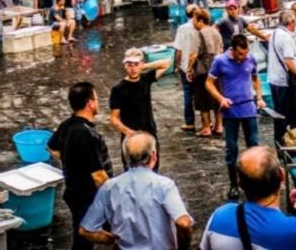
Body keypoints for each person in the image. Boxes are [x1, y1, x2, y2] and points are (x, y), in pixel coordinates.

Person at [80, 132, 193, 250]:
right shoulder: (164, 185)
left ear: (126, 157)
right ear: (153, 155)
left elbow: (86, 230)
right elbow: (184, 224)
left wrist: (112, 240)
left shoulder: (109, 187)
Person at [48, 82, 113, 250]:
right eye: (97, 99)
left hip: (73, 193)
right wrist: (116, 196)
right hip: (89, 197)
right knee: (84, 239)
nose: (98, 102)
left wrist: (70, 159)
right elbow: (98, 176)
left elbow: (52, 147)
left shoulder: (66, 125)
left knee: (95, 232)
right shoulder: (87, 134)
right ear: (90, 104)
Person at [205, 34, 266, 200]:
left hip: (249, 110)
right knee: (231, 149)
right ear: (232, 49)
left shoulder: (250, 59)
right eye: (240, 54)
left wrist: (259, 98)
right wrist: (221, 99)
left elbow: (255, 78)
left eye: (246, 54)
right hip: (230, 112)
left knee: (253, 145)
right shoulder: (220, 61)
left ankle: (255, 181)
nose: (243, 57)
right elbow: (208, 83)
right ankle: (234, 184)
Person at [109, 48, 171, 171]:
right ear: (125, 66)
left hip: (149, 132)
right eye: (129, 65)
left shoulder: (145, 79)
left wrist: (143, 66)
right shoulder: (118, 89)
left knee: (153, 168)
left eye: (136, 64)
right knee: (131, 169)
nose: (133, 68)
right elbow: (114, 118)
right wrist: (128, 132)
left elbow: (167, 63)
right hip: (131, 136)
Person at [267, 10, 296, 143]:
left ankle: (280, 145)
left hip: (275, 80)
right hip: (284, 82)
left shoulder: (275, 33)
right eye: (295, 21)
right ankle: (288, 146)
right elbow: (289, 62)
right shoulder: (286, 37)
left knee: (279, 116)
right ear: (291, 22)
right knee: (288, 117)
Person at [187, 9, 224, 137]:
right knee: (216, 97)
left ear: (201, 21)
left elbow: (194, 54)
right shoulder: (216, 32)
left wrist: (189, 69)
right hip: (217, 69)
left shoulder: (199, 33)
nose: (193, 22)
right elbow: (221, 49)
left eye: (194, 19)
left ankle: (206, 127)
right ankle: (219, 126)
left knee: (202, 99)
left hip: (203, 70)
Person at [173, 4, 200, 132]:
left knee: (188, 94)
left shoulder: (182, 28)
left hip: (186, 66)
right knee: (203, 94)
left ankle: (190, 122)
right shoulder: (203, 27)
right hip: (201, 67)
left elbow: (178, 50)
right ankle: (208, 122)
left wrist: (177, 65)